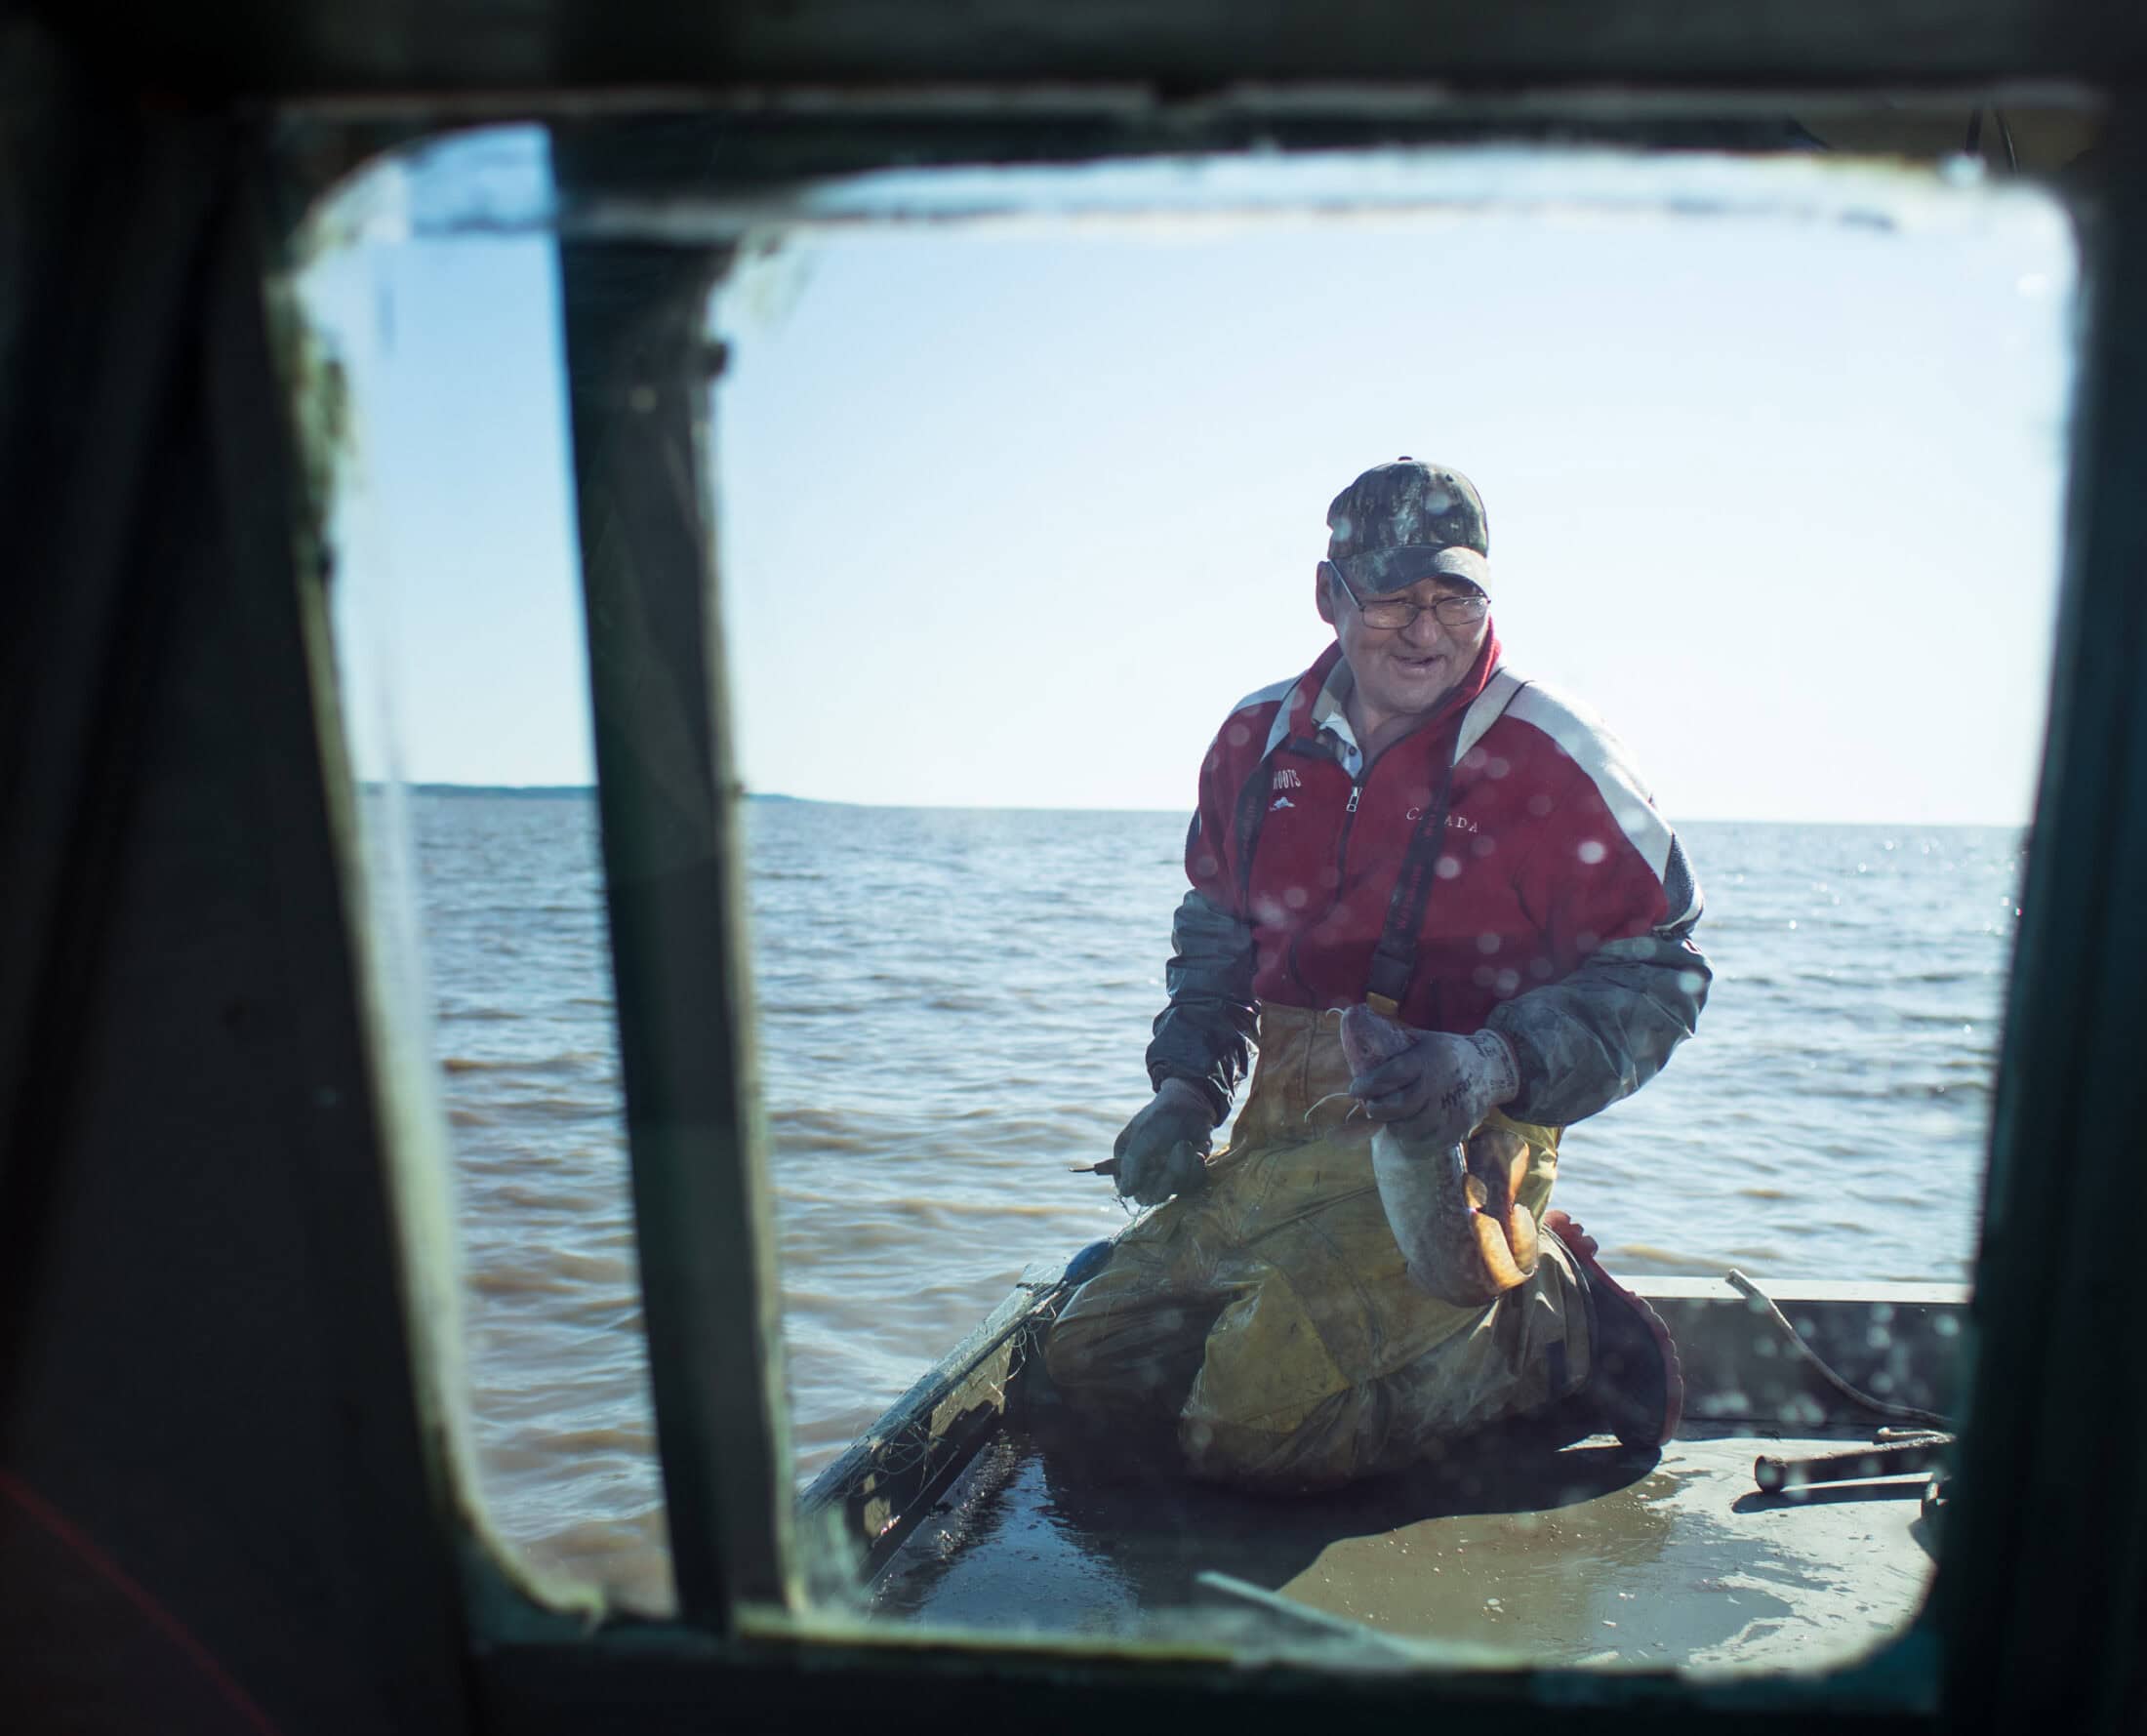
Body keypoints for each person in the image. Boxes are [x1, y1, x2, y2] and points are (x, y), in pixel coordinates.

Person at [1043, 458, 1710, 1491]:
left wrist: (1493, 1063)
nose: (1425, 630)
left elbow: (1663, 973)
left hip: (1467, 1142)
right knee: (1086, 1373)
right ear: (1329, 595)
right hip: (1288, 1137)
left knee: (1247, 1434)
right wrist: (1184, 1092)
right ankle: (1367, 1308)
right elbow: (1217, 934)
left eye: (1454, 597)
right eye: (1394, 597)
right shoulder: (1255, 741)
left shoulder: (1554, 753)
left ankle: (1548, 1317)